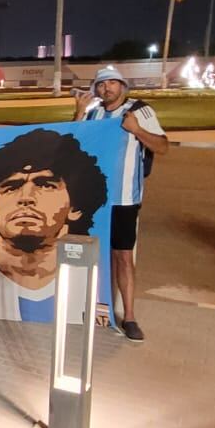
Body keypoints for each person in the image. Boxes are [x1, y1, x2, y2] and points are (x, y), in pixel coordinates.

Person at [0, 129, 109, 322]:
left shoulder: (91, 282)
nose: (26, 198)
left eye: (46, 185)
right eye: (11, 187)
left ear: (76, 207)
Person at [73, 68, 169, 342]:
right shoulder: (94, 113)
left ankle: (129, 316)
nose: (107, 89)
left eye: (113, 83)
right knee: (94, 256)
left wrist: (137, 130)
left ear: (123, 87)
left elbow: (163, 147)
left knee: (123, 257)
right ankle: (96, 308)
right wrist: (79, 112)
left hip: (125, 198)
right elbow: (76, 144)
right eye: (102, 84)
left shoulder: (140, 111)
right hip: (96, 199)